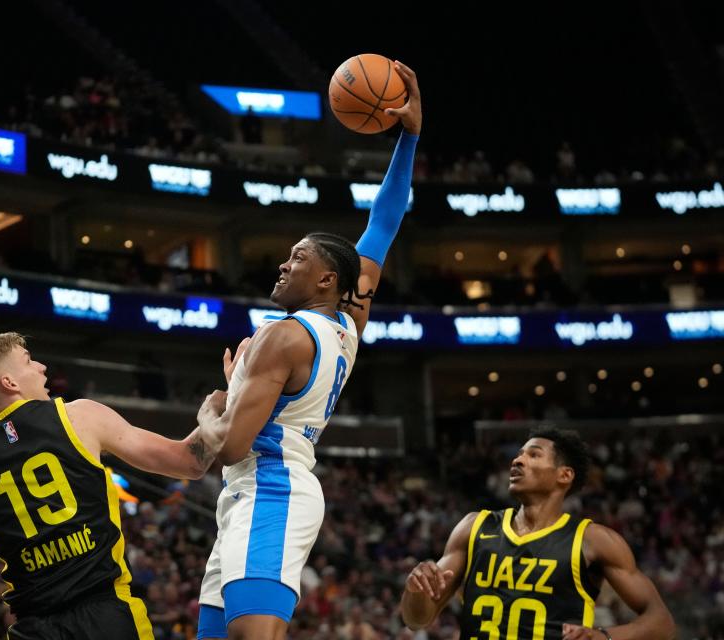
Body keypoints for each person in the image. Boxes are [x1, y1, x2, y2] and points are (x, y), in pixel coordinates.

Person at [195, 61, 422, 640]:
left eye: (298, 257)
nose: (284, 262)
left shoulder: (285, 334)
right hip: (258, 490)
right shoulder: (349, 320)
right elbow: (385, 221)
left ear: (326, 281)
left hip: (269, 485)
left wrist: (218, 405)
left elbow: (228, 447)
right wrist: (410, 139)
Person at [0, 332, 228, 640]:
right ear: (10, 383)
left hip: (33, 627)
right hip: (107, 616)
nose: (41, 367)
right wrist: (228, 400)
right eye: (28, 361)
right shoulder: (79, 416)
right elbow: (190, 462)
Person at [399, 427, 676, 640]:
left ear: (564, 475)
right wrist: (415, 590)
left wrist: (605, 635)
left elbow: (661, 623)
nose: (517, 461)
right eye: (519, 454)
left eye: (533, 454)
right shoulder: (474, 527)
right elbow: (417, 619)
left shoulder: (594, 541)